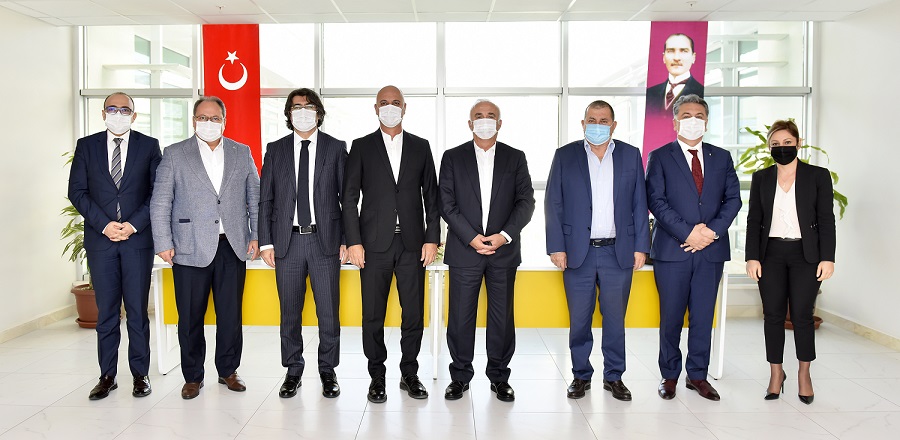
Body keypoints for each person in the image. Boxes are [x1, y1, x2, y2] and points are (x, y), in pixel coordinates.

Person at [150, 96, 260, 400]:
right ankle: (193, 376)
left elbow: (255, 197)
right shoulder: (175, 154)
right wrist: (163, 242)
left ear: (224, 121)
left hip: (232, 246)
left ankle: (228, 370)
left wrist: (256, 234)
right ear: (193, 120)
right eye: (202, 117)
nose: (208, 123)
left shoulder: (241, 152)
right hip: (188, 247)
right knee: (189, 317)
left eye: (215, 118)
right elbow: (161, 202)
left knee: (230, 316)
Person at [342, 85, 441, 403]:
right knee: (372, 314)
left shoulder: (421, 147)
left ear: (405, 108)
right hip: (372, 246)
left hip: (413, 244)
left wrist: (432, 238)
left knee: (413, 314)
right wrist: (354, 242)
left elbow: (432, 197)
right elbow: (349, 199)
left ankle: (409, 373)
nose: (389, 107)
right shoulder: (361, 146)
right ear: (375, 109)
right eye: (383, 103)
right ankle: (377, 376)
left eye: (395, 102)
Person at [545, 100, 650, 401]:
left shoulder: (630, 155)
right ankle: (581, 375)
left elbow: (639, 204)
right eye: (592, 120)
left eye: (604, 121)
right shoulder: (565, 155)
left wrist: (641, 246)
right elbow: (553, 203)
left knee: (615, 319)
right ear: (583, 123)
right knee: (579, 319)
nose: (598, 125)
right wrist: (556, 247)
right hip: (578, 252)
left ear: (613, 125)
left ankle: (614, 376)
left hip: (618, 251)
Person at [646, 94, 741, 401]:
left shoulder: (721, 157)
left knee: (702, 317)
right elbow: (656, 200)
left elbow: (733, 199)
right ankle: (669, 375)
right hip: (672, 251)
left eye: (699, 115)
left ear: (707, 122)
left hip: (711, 251)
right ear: (675, 122)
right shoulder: (660, 156)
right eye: (686, 115)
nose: (693, 120)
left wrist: (710, 232)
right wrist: (687, 233)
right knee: (671, 317)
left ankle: (698, 375)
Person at [438, 100, 535, 402]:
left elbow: (526, 202)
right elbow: (446, 203)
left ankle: (499, 377)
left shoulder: (515, 157)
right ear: (470, 124)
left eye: (490, 116)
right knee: (460, 317)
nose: (484, 120)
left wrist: (504, 236)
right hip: (464, 250)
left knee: (501, 318)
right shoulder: (453, 157)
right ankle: (459, 377)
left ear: (500, 123)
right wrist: (471, 238)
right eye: (478, 116)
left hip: (503, 252)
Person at [68, 92, 161, 400]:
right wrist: (105, 225)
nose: (118, 114)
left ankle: (140, 375)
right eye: (112, 108)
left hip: (137, 241)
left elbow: (157, 192)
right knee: (107, 313)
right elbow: (77, 191)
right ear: (102, 113)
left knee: (137, 312)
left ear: (134, 115)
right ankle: (107, 376)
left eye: (124, 110)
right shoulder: (86, 146)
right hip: (101, 241)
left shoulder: (149, 146)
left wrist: (132, 225)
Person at [258, 88, 349, 399]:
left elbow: (347, 198)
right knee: (289, 312)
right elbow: (266, 199)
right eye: (296, 107)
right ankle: (293, 369)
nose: (303, 111)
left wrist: (347, 240)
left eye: (309, 106)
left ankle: (328, 370)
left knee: (328, 312)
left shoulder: (336, 148)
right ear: (288, 113)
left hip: (326, 243)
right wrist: (266, 243)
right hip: (288, 243)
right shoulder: (276, 149)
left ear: (319, 113)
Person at [745, 119, 835, 405]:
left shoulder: (817, 176)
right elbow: (754, 220)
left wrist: (828, 258)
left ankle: (804, 374)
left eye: (787, 143)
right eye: (775, 144)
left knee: (802, 316)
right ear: (768, 147)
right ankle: (776, 373)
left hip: (805, 255)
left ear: (798, 143)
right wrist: (752, 257)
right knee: (772, 315)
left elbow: (826, 220)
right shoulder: (761, 178)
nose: (781, 148)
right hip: (770, 254)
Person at [646, 33, 705, 114]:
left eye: (684, 51)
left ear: (693, 57)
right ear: (664, 57)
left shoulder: (702, 91)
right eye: (670, 51)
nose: (676, 58)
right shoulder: (650, 93)